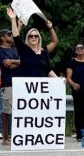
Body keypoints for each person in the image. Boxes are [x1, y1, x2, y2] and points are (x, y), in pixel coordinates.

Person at [8, 8, 59, 146]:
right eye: (31, 36)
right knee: (26, 115)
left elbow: (48, 69)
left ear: (39, 38)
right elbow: (16, 37)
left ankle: (39, 139)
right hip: (26, 89)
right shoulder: (24, 50)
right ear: (28, 39)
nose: (34, 38)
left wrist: (59, 81)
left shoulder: (44, 52)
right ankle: (24, 138)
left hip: (41, 90)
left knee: (40, 115)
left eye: (36, 36)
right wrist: (13, 20)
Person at [0, 24, 21, 146]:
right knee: (6, 110)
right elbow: (6, 65)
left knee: (18, 109)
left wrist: (13, 62)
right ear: (3, 38)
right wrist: (17, 63)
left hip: (19, 82)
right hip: (8, 82)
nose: (11, 36)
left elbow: (23, 62)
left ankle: (16, 134)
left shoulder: (15, 49)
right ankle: (5, 137)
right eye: (9, 34)